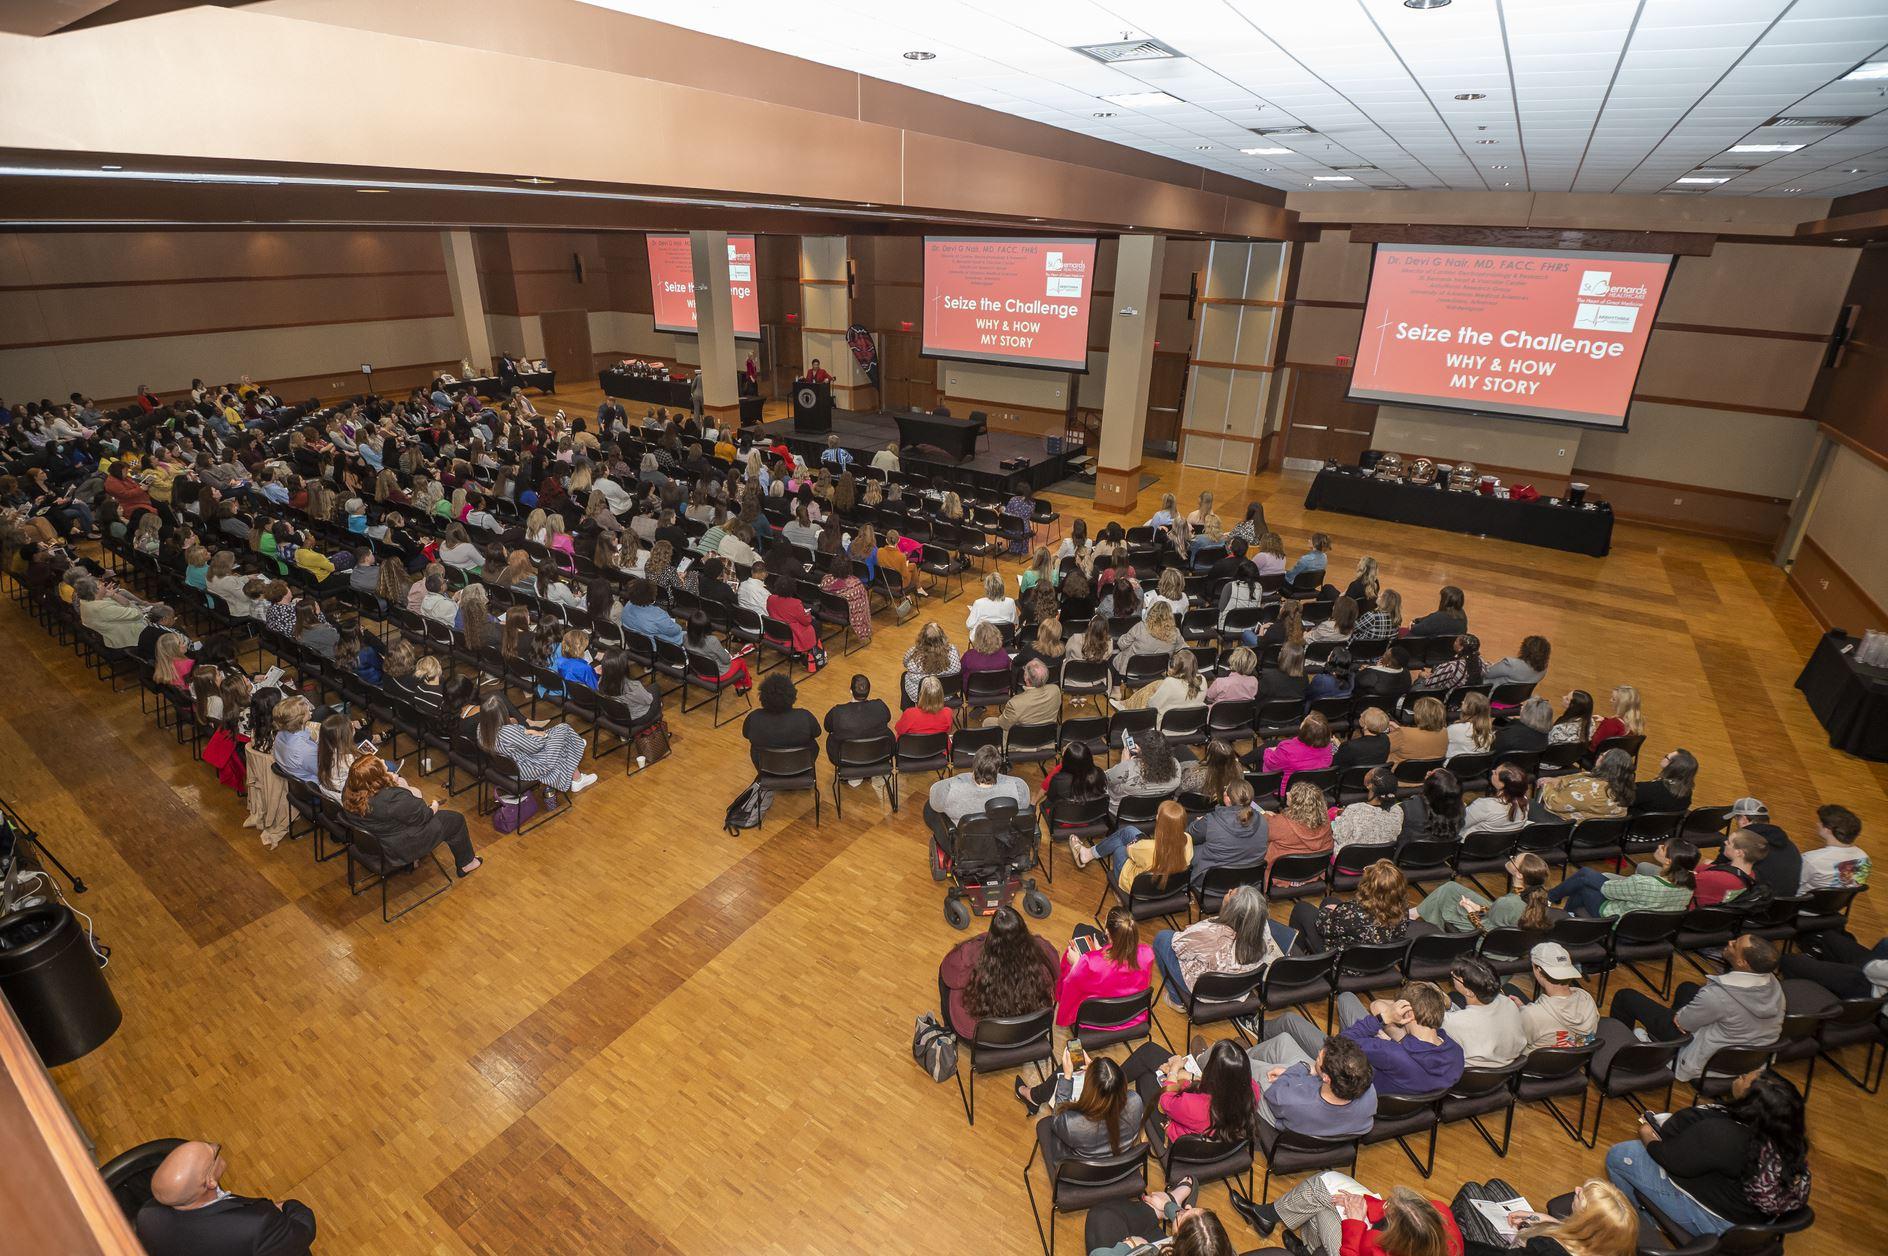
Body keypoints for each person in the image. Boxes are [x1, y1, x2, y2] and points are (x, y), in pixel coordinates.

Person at [1602, 1068, 1809, 1238]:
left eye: (1745, 1077)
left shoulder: (1723, 1135)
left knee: (1620, 1155)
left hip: (1720, 1225)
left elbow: (1670, 1160)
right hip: (1756, 1220)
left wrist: (1647, 1134)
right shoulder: (1788, 1134)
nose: (1740, 1074)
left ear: (1751, 1102)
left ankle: (1644, 1227)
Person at [1596, 934, 1785, 1082]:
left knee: (1625, 997)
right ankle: (1658, 1041)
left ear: (1743, 963)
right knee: (1687, 988)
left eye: (1735, 945)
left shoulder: (1717, 996)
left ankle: (1630, 1055)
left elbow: (1682, 1023)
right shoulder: (1773, 983)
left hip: (1705, 1054)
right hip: (1747, 1055)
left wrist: (1685, 1016)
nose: (1730, 942)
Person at [135, 1140, 318, 1256]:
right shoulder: (256, 1225)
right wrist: (288, 1206)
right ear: (210, 1182)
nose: (215, 1145)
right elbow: (302, 1232)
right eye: (214, 1153)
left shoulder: (146, 1216)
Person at [1038, 907, 1153, 1063]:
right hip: (1130, 1017)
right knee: (1082, 929)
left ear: (1107, 932)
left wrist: (1076, 964)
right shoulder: (1147, 954)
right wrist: (1103, 951)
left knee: (1076, 939)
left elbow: (1068, 990)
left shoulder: (1089, 963)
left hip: (1094, 1021)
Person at [1244, 1179, 1464, 1256]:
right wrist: (1365, 1204)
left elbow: (1351, 1252)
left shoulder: (1377, 1249)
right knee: (1327, 1197)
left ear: (1395, 1237)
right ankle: (1304, 1245)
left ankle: (1268, 1217)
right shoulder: (1439, 1209)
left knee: (1323, 1203)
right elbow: (1384, 1207)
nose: (1386, 1204)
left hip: (1353, 1248)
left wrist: (1355, 1222)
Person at [342, 756, 481, 876]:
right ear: (377, 777)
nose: (384, 761)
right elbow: (422, 816)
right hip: (397, 847)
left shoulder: (348, 791)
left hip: (374, 841)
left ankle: (413, 862)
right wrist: (433, 807)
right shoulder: (392, 798)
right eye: (381, 763)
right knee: (455, 820)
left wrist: (392, 785)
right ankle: (466, 863)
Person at [936, 904, 1058, 1039]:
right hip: (1030, 1032)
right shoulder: (1043, 950)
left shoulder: (970, 956)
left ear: (992, 936)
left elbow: (947, 971)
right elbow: (1056, 971)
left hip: (984, 1038)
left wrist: (978, 940)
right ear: (1023, 930)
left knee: (946, 980)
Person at [1155, 884, 1282, 1006]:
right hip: (1240, 990)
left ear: (1232, 909)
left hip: (1207, 991)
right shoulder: (1262, 928)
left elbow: (1178, 949)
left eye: (1230, 893)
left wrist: (1193, 933)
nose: (1229, 890)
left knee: (1163, 938)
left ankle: (1176, 1000)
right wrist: (1197, 931)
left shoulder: (1213, 934)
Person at [1240, 1025, 1377, 1138]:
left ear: (1326, 1078)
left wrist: (1297, 1070)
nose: (1317, 1055)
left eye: (1318, 1058)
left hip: (1279, 1107)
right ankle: (1246, 1053)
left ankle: (1235, 1058)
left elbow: (1274, 1094)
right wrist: (1312, 1070)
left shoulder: (1292, 1101)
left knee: (1257, 1070)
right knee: (1284, 1040)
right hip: (1317, 1107)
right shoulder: (1368, 1090)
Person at [1333, 980, 1466, 1095]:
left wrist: (1382, 1019)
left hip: (1366, 1095)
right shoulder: (1457, 1053)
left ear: (1407, 1013)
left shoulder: (1388, 1051)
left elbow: (1339, 1043)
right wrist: (1392, 1043)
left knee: (1346, 998)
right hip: (1411, 1109)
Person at [1474, 1179, 1636, 1256]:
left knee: (1471, 1190)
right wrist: (1544, 1219)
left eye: (1580, 1195)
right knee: (1495, 1185)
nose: (1576, 1188)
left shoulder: (1546, 1249)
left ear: (1585, 1221)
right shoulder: (1606, 1245)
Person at [925, 744, 1031, 863]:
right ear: (998, 767)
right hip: (1002, 845)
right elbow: (1025, 806)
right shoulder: (1017, 786)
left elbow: (935, 803)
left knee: (930, 808)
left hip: (966, 847)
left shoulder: (952, 788)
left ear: (974, 765)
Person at [1549, 838, 1697, 919]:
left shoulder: (1643, 883)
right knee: (1586, 876)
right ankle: (1561, 907)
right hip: (1646, 928)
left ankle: (1559, 908)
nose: (1659, 846)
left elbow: (1608, 891)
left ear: (1668, 861)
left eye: (1663, 848)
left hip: (1618, 921)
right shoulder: (1689, 885)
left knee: (1584, 881)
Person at [477, 697, 597, 793]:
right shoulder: (507, 732)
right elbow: (535, 746)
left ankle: (577, 771)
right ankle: (577, 775)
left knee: (559, 737)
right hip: (530, 766)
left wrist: (527, 731)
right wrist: (540, 734)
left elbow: (516, 740)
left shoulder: (481, 730)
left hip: (510, 764)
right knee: (563, 729)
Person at [1291, 860, 1410, 951]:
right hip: (1378, 960)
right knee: (1330, 900)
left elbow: (1323, 928)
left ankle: (1297, 956)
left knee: (1301, 908)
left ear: (1367, 886)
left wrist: (1328, 912)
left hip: (1345, 965)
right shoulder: (1403, 909)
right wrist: (1338, 911)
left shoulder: (1352, 913)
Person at [1086, 799, 1193, 892]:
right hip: (1170, 887)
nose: (1156, 816)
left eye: (1158, 815)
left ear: (1161, 823)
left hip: (1137, 888)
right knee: (1129, 831)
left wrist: (1138, 844)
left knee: (1119, 849)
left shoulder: (1147, 847)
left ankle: (1090, 855)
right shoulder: (1188, 838)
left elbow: (1129, 850)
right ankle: (1091, 853)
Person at [1442, 956, 1528, 1068]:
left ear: (1469, 991)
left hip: (1470, 1077)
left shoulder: (1451, 1022)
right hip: (1508, 1069)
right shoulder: (1509, 1003)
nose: (1453, 973)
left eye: (1456, 977)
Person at [1515, 942, 1600, 1049]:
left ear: (1538, 971)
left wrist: (1523, 1014)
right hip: (1574, 1060)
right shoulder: (1586, 998)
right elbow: (1583, 1039)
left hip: (1537, 1063)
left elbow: (1514, 1044)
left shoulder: (1532, 1015)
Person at [1186, 780, 1267, 890]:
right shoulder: (1263, 820)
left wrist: (1198, 823)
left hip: (1211, 882)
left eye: (1226, 789)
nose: (1224, 790)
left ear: (1227, 798)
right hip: (1249, 881)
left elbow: (1190, 834)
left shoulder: (1211, 820)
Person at [740, 672, 819, 770]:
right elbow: (817, 733)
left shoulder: (753, 717)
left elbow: (746, 735)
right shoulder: (805, 716)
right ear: (792, 696)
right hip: (802, 765)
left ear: (763, 697)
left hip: (767, 768)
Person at [1727, 797, 1802, 897]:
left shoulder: (1742, 843)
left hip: (1758, 904)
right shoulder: (1790, 844)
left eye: (1736, 819)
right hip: (1787, 905)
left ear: (1744, 820)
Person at [1535, 748, 1635, 822]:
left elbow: (1554, 803)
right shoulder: (1624, 787)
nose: (1599, 756)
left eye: (1602, 756)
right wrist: (1557, 780)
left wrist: (1547, 784)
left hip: (1567, 826)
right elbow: (1578, 777)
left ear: (1606, 763)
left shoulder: (1588, 790)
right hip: (1602, 833)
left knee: (1526, 805)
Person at [1266, 780, 1335, 877]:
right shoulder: (1325, 821)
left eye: (1291, 793)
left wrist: (1266, 816)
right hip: (1314, 873)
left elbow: (1264, 835)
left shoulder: (1280, 823)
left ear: (1297, 804)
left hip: (1283, 876)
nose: (1287, 793)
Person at [823, 672, 891, 766]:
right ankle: (878, 773)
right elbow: (888, 718)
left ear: (851, 691)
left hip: (848, 758)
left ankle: (854, 777)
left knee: (832, 736)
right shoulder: (880, 706)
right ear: (869, 690)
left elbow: (827, 727)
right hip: (879, 754)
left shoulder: (837, 711)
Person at [1103, 727, 1181, 808]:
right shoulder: (1176, 765)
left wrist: (1124, 763)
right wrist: (1142, 753)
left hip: (1123, 812)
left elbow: (1104, 780)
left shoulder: (1127, 768)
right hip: (1155, 811)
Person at [1332, 766, 1404, 852]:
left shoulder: (1354, 809)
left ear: (1369, 785)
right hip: (1382, 859)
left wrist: (1339, 819)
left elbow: (1339, 837)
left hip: (1350, 860)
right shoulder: (1398, 811)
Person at [1798, 803, 1869, 891]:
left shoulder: (1811, 859)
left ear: (1827, 830)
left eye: (1820, 822)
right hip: (1836, 903)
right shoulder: (1864, 858)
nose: (1817, 824)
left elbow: (1792, 882)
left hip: (1801, 902)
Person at [1261, 711, 1336, 786]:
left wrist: (1268, 750)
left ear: (1304, 730)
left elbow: (1271, 763)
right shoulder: (1328, 748)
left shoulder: (1287, 749)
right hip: (1315, 787)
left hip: (1289, 791)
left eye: (1304, 721)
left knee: (1264, 756)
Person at [989, 659, 1061, 733]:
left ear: (1026, 678)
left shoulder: (1015, 703)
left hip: (1020, 741)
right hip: (1047, 738)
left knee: (988, 721)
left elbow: (1003, 725)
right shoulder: (1055, 690)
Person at [1463, 762, 1533, 836]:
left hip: (1474, 843)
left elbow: (1461, 824)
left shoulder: (1484, 806)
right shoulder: (1524, 801)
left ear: (1502, 784)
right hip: (1505, 844)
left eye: (1496, 773)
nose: (1492, 771)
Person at [902, 620, 961, 705]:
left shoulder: (913, 654)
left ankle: (908, 710)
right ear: (942, 637)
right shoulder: (953, 650)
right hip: (945, 694)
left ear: (922, 638)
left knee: (904, 675)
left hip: (921, 696)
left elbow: (905, 663)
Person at [619, 578, 684, 646]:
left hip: (636, 643)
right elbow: (674, 631)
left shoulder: (627, 606)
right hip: (658, 646)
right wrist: (680, 626)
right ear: (652, 595)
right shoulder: (658, 615)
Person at [1632, 748, 1697, 815]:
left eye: (1666, 756)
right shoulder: (1687, 793)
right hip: (1664, 825)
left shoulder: (1651, 789)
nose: (1664, 757)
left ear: (1672, 766)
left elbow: (1626, 800)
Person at [1387, 696, 1448, 764]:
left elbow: (1381, 747)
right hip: (1428, 772)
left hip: (1397, 772)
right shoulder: (1444, 732)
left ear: (1419, 714)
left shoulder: (1403, 734)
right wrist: (1399, 729)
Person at [1589, 684, 1644, 750]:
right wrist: (1605, 720)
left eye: (1613, 699)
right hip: (1618, 757)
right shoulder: (1637, 723)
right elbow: (1618, 730)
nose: (1610, 700)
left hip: (1596, 757)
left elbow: (1593, 745)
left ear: (1621, 705)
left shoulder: (1612, 724)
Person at [1484, 634, 1552, 687]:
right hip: (1516, 698)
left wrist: (1487, 666)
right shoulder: (1544, 669)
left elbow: (1487, 674)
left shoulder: (1510, 664)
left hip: (1493, 693)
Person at [1445, 690, 1495, 760]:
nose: (1462, 702)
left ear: (1468, 708)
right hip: (1477, 769)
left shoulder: (1453, 729)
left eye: (1464, 701)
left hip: (1450, 769)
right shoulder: (1489, 733)